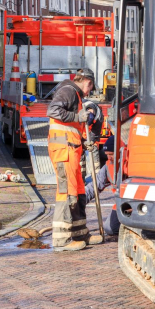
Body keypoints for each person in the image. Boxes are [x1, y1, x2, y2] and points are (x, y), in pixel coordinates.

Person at [46, 68, 102, 251]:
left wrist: (84, 142)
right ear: (88, 82)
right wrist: (78, 116)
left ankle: (79, 233)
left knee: (78, 192)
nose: (89, 92)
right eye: (90, 88)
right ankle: (62, 240)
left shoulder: (75, 95)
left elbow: (71, 128)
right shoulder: (68, 90)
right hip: (63, 150)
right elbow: (53, 110)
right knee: (66, 192)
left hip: (72, 149)